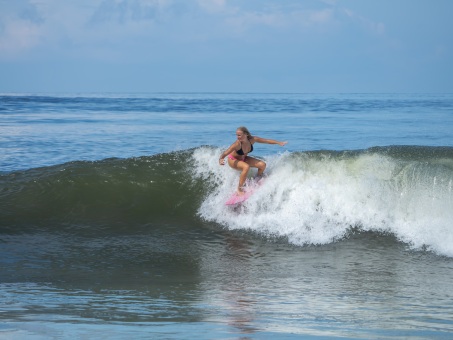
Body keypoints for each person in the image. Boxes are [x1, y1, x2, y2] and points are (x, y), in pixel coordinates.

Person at [219, 126, 287, 194]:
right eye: (237, 135)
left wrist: (279, 142)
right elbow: (227, 152)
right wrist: (221, 158)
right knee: (246, 167)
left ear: (246, 134)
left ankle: (257, 179)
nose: (237, 137)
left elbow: (266, 141)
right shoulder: (237, 144)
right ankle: (239, 189)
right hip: (233, 160)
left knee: (262, 165)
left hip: (243, 159)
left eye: (239, 135)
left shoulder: (253, 139)